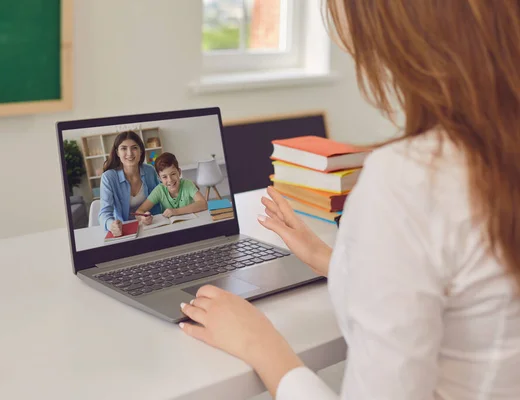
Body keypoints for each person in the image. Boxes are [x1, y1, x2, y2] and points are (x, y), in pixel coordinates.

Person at [177, 1, 520, 399]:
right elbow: (474, 289)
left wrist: (261, 343)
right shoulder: (492, 157)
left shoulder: (409, 180)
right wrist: (332, 260)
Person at [98, 131, 161, 236]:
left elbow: (162, 195)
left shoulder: (150, 171)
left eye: (134, 148)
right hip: (125, 231)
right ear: (117, 152)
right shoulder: (108, 178)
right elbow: (104, 213)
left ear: (141, 151)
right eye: (123, 148)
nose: (130, 153)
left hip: (151, 227)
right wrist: (111, 225)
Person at [134, 152, 207, 225]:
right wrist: (143, 218)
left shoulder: (188, 185)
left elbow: (203, 204)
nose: (170, 180)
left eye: (173, 174)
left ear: (179, 172)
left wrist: (175, 212)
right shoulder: (159, 190)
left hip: (191, 225)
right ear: (159, 178)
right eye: (164, 177)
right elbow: (138, 213)